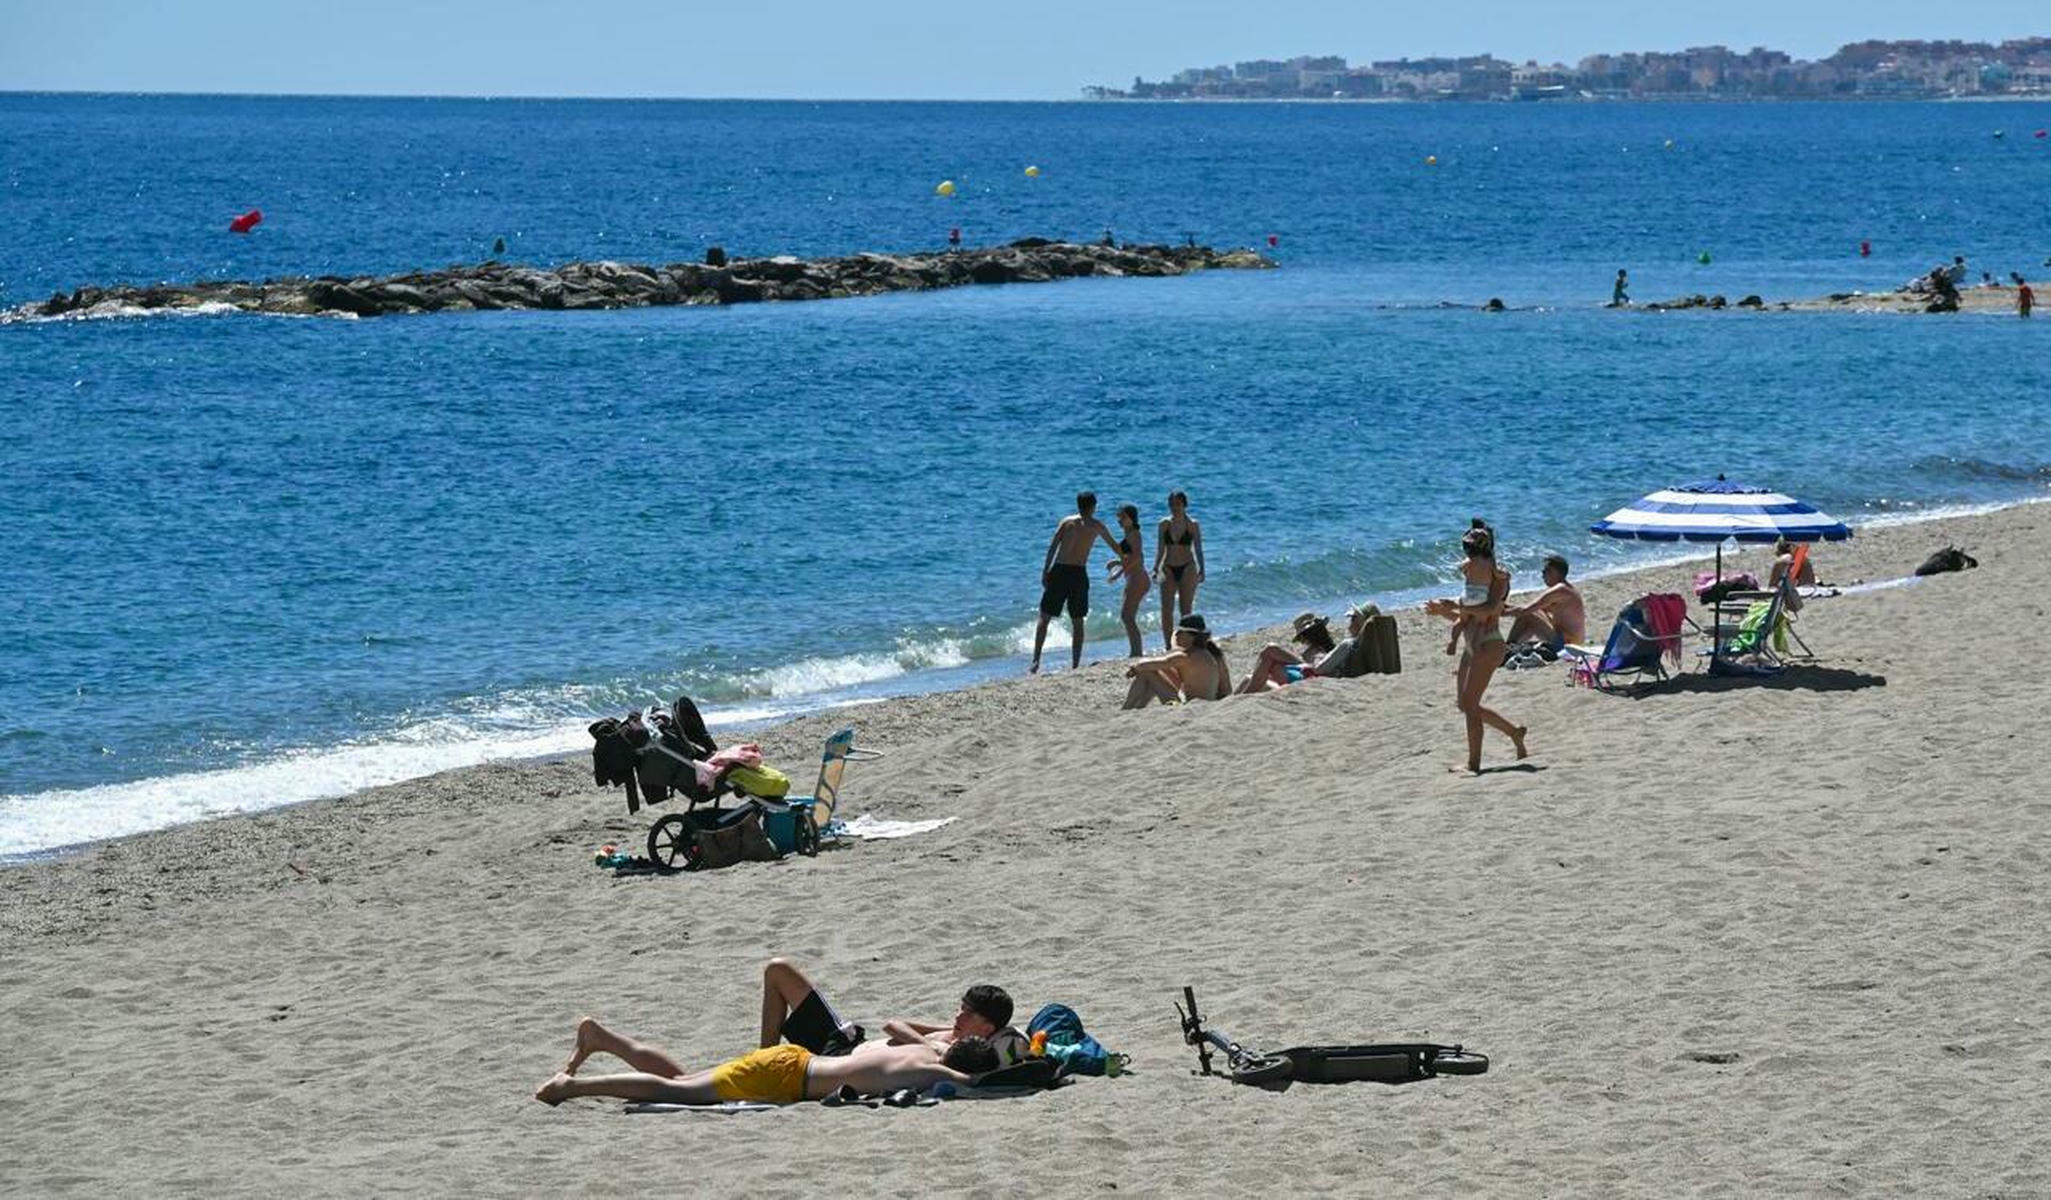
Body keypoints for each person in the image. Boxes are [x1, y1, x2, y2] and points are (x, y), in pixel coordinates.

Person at [535, 959, 1015, 1106]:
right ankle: (572, 1087)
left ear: (986, 1029)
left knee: (683, 1083)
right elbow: (983, 1082)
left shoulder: (936, 1056)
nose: (955, 1019)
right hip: (788, 1074)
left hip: (794, 1065)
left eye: (966, 1015)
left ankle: (603, 1039)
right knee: (675, 1090)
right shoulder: (934, 1062)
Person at [1424, 519, 1528, 775]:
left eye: (1471, 551)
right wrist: (1443, 611)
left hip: (1488, 644)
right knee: (1465, 705)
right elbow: (1466, 616)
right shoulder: (1473, 580)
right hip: (1472, 647)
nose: (1467, 559)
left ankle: (1474, 765)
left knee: (1470, 705)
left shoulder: (1498, 579)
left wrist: (1455, 607)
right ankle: (1514, 732)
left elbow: (1489, 610)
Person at [1032, 491, 1121, 673]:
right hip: (1078, 573)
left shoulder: (1067, 522)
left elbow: (1053, 547)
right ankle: (1075, 664)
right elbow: (1115, 547)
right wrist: (1125, 558)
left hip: (1060, 570)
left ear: (1078, 504)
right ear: (1094, 506)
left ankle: (1035, 661)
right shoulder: (1097, 526)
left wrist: (1045, 570)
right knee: (1077, 620)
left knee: (1045, 616)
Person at [1236, 606, 1374, 693]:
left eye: (1353, 618)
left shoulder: (1346, 644)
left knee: (1270, 651)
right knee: (1249, 677)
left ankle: (1241, 699)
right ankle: (1233, 700)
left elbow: (1319, 669)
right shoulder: (1349, 645)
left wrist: (1304, 664)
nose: (1349, 621)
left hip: (1311, 681)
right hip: (1309, 677)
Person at [1122, 614, 1230, 708]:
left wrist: (1134, 668)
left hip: (1190, 707)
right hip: (1205, 703)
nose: (1177, 635)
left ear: (1191, 637)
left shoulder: (1185, 657)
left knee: (1146, 671)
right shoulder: (1206, 652)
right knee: (1152, 670)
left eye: (1180, 632)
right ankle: (1136, 707)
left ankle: (1127, 708)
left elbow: (1155, 663)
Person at [1151, 491, 1205, 650]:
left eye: (1178, 504)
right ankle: (1168, 645)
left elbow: (1198, 549)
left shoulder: (1193, 524)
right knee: (1166, 609)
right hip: (1168, 568)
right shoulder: (1164, 524)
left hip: (1187, 567)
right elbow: (1160, 549)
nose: (1175, 508)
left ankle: (1186, 644)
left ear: (1184, 505)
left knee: (1185, 609)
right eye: (1172, 504)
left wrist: (1202, 569)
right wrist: (1155, 568)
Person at [1505, 555, 1586, 650]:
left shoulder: (1560, 589)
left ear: (1555, 573)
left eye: (1545, 571)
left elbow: (1526, 610)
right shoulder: (1567, 589)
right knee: (1533, 613)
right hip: (1569, 640)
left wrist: (1500, 612)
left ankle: (1508, 648)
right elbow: (1537, 609)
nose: (1542, 575)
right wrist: (1507, 607)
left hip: (1567, 644)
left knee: (1529, 613)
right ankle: (1511, 646)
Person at [1105, 503, 1150, 657]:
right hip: (1134, 577)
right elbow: (1132, 558)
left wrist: (1118, 573)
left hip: (1137, 577)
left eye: (1123, 517)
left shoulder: (1134, 534)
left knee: (1127, 616)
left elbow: (1137, 557)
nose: (1120, 520)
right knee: (1128, 616)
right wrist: (1117, 563)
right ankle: (1135, 651)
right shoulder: (1129, 534)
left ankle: (1136, 652)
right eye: (1119, 517)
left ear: (1132, 518)